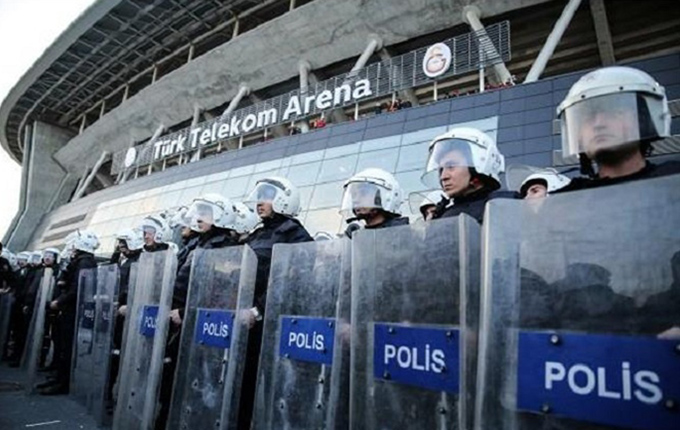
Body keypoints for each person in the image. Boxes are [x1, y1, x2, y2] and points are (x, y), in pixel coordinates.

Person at [240, 176, 313, 428]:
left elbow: (292, 281)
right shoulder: (257, 233)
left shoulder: (296, 235)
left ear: (284, 199)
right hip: (244, 321)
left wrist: (259, 310)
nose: (260, 202)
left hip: (270, 326)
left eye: (267, 196)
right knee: (242, 388)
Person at [554, 66, 680, 192]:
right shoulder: (564, 203)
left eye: (612, 112)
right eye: (587, 118)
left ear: (642, 121)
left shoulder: (674, 180)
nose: (598, 124)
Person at [39, 230, 98, 395]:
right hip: (70, 309)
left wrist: (60, 301)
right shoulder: (81, 261)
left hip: (73, 311)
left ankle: (63, 383)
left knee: (67, 348)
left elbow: (77, 288)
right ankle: (59, 378)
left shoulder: (84, 262)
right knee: (62, 346)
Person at [422, 127, 508, 223]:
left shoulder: (507, 207)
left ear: (480, 164)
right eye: (441, 170)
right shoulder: (444, 216)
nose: (443, 177)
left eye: (451, 166)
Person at [340, 168, 409, 231]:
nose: (356, 200)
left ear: (386, 196)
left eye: (363, 193)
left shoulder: (405, 235)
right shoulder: (356, 236)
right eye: (354, 194)